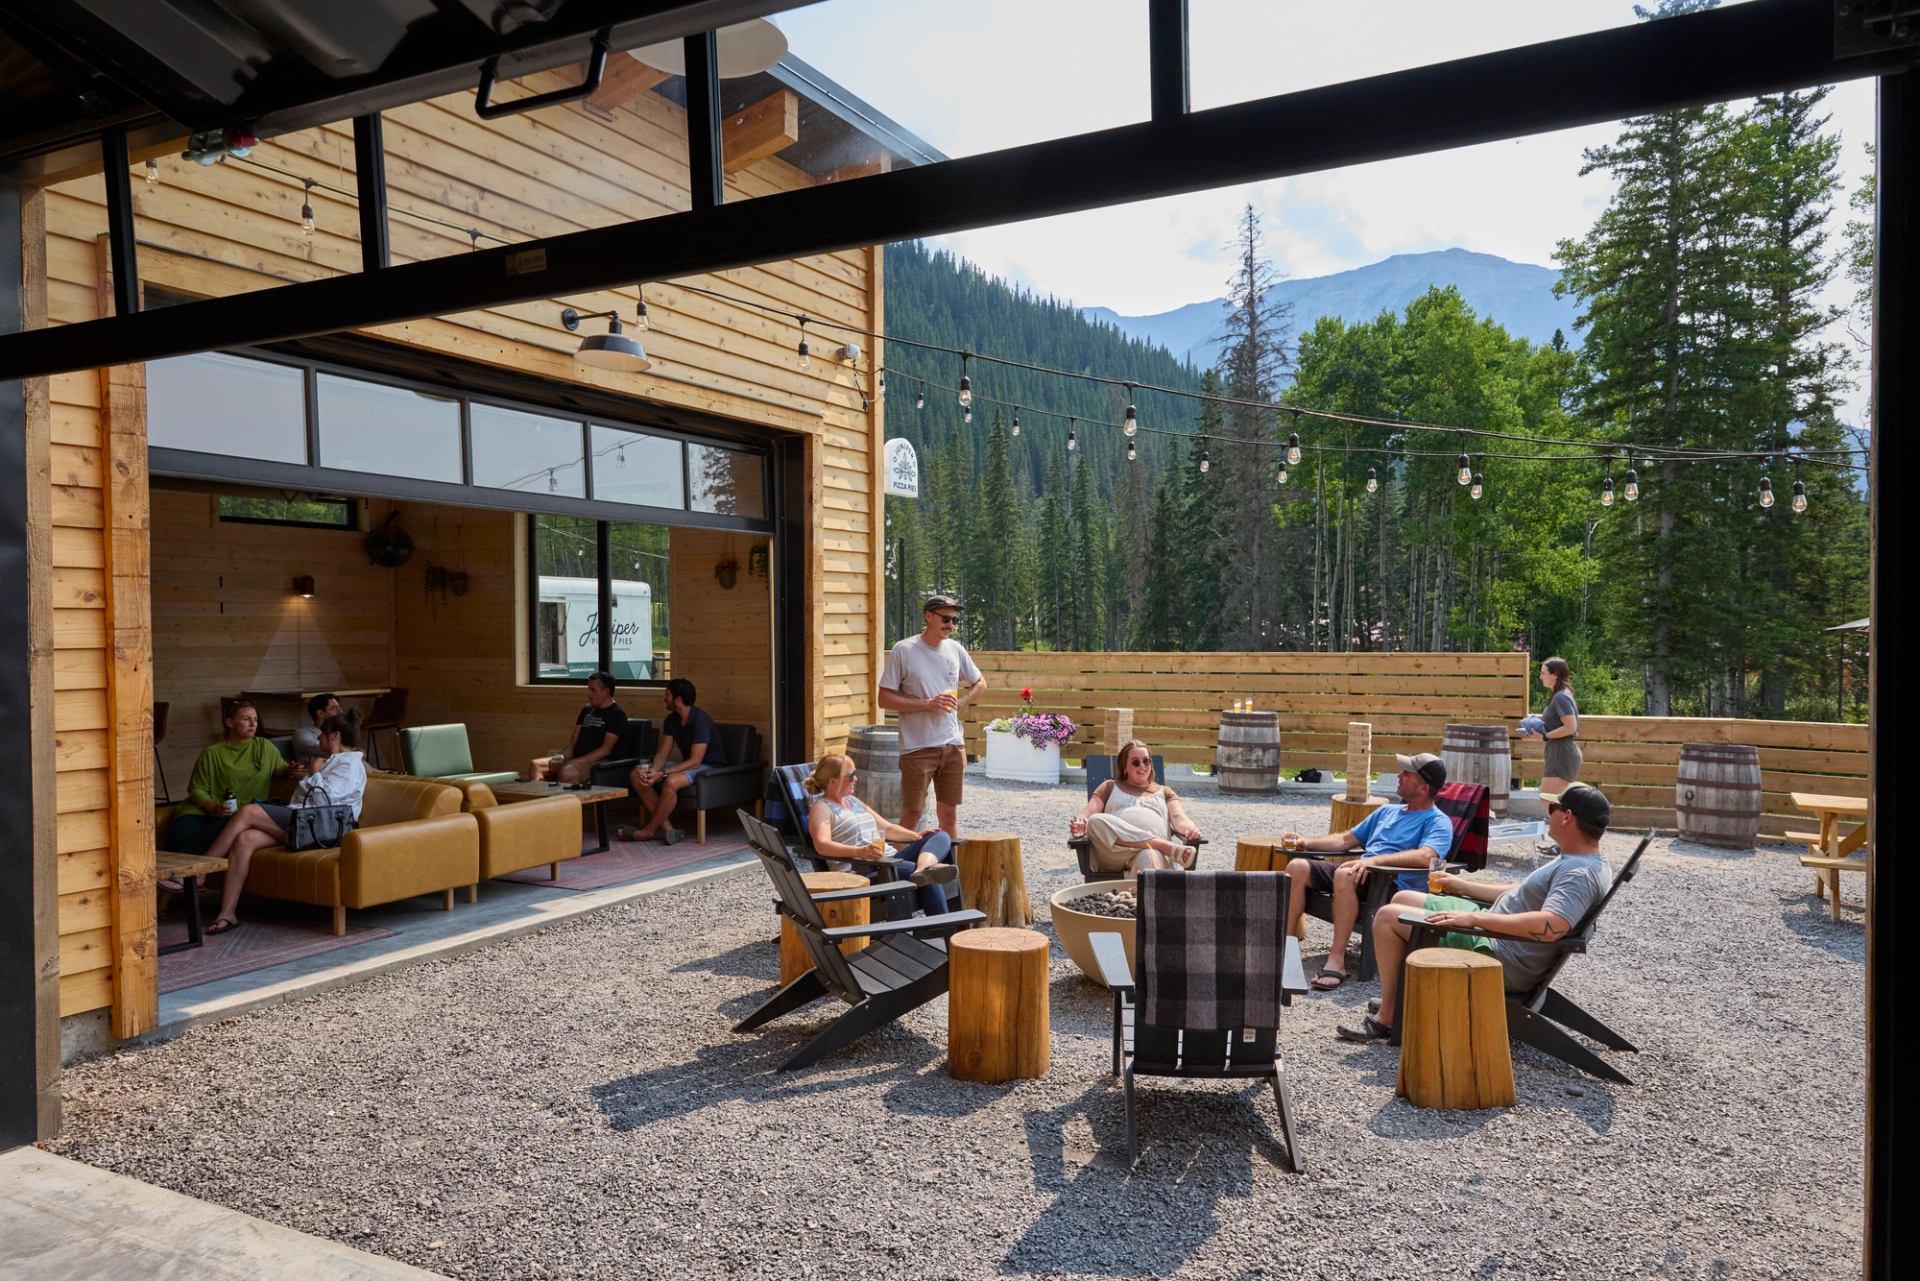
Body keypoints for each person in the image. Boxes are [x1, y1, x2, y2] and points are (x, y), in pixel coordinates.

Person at [1337, 782, 1614, 1043]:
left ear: (1567, 817)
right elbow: (1523, 893)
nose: (1549, 814)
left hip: (1500, 954)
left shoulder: (1579, 874)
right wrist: (1463, 886)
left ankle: (1388, 1018)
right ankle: (1400, 998)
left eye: (1554, 809)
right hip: (1498, 934)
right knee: (1404, 897)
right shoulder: (1580, 859)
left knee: (1387, 917)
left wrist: (1474, 919)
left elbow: (1552, 925)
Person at [1280, 753, 1454, 992]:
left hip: (1392, 887)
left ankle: (1337, 960)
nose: (1399, 776)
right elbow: (1344, 840)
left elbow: (1427, 856)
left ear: (1423, 787)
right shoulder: (1387, 812)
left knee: (1345, 873)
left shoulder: (1438, 821)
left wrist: (1373, 861)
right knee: (1297, 867)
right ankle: (1286, 951)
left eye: (1406, 773)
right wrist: (1306, 843)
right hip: (1363, 875)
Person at [200, 710, 369, 935]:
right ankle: (227, 914)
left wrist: (315, 772)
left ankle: (201, 870)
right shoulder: (333, 762)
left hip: (324, 830)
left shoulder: (350, 765)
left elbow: (326, 801)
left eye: (322, 735)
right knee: (245, 839)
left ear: (334, 736)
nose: (318, 739)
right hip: (305, 823)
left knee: (249, 812)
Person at [877, 594, 985, 837]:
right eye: (946, 618)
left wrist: (963, 701)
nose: (951, 625)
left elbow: (980, 683)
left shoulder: (955, 649)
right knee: (912, 814)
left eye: (955, 620)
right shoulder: (904, 650)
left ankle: (949, 870)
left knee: (949, 815)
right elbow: (884, 699)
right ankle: (899, 868)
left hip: (952, 745)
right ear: (928, 616)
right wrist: (927, 704)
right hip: (917, 747)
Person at [804, 753, 958, 916]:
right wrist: (860, 852)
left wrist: (916, 836)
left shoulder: (853, 801)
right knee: (931, 876)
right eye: (851, 776)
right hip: (864, 870)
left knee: (940, 836)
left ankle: (923, 868)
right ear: (832, 781)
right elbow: (822, 845)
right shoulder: (822, 808)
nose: (855, 779)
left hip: (887, 861)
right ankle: (942, 930)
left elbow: (888, 828)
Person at [165, 699, 299, 856]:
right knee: (182, 835)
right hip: (202, 811)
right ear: (229, 722)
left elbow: (280, 768)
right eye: (246, 719)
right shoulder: (212, 752)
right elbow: (196, 789)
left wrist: (290, 769)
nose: (253, 724)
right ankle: (180, 873)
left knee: (221, 831)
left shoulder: (264, 746)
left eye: (255, 719)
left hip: (237, 814)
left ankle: (185, 874)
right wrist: (214, 808)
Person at [1068, 740, 1203, 876]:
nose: (1142, 766)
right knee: (1095, 821)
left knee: (1151, 856)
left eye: (1146, 761)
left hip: (1151, 852)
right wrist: (1081, 821)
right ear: (1124, 767)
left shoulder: (1165, 792)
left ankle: (1132, 895)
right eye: (1135, 762)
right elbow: (1088, 812)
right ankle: (1165, 846)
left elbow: (1179, 818)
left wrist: (1190, 829)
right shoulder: (1109, 786)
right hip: (1114, 854)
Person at [628, 677, 726, 845]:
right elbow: (662, 754)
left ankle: (649, 830)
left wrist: (662, 774)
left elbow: (696, 761)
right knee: (637, 774)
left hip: (709, 766)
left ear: (678, 699)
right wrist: (652, 771)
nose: (664, 698)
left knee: (671, 782)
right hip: (690, 763)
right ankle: (668, 828)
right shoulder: (671, 719)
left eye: (667, 694)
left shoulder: (701, 720)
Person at [1521, 656, 1582, 795]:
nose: (1540, 677)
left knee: (1549, 800)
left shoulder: (1560, 696)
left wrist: (1544, 736)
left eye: (1543, 673)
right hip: (1559, 750)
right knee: (1555, 802)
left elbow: (1571, 727)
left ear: (1555, 675)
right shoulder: (1562, 694)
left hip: (1560, 752)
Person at [554, 672, 628, 784]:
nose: (588, 693)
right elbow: (572, 744)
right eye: (588, 689)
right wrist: (562, 757)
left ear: (606, 691)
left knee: (567, 772)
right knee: (538, 765)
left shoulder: (617, 714)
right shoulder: (587, 710)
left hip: (599, 762)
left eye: (593, 690)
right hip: (577, 758)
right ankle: (539, 801)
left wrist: (576, 762)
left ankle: (568, 801)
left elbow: (605, 750)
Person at [291, 692, 342, 762]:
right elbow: (330, 751)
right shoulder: (302, 734)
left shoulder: (339, 733)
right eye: (334, 708)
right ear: (320, 713)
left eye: (339, 708)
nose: (340, 712)